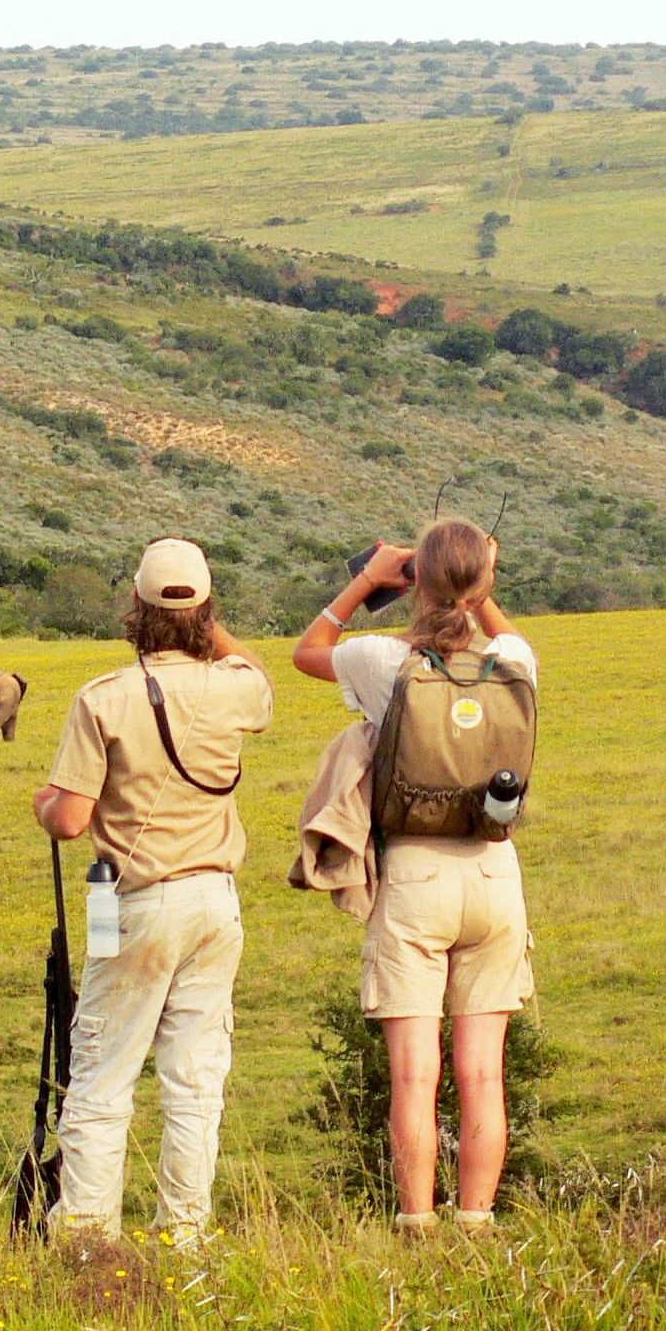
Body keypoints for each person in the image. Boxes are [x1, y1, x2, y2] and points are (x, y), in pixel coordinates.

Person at [291, 518, 534, 1232]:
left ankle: (416, 1227)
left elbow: (309, 650)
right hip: (494, 872)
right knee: (484, 1075)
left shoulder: (382, 663)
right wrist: (480, 583)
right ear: (482, 582)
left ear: (415, 581)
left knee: (414, 1077)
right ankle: (476, 1222)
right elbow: (507, 636)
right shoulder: (515, 660)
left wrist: (369, 579)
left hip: (413, 875)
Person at [30, 539, 272, 1243]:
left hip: (129, 899)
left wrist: (44, 804)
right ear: (205, 611)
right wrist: (204, 620)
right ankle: (184, 1238)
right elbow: (253, 672)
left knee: (102, 1078)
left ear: (133, 606)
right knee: (195, 1085)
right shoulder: (234, 690)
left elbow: (70, 820)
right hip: (215, 903)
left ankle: (86, 1238)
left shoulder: (103, 699)